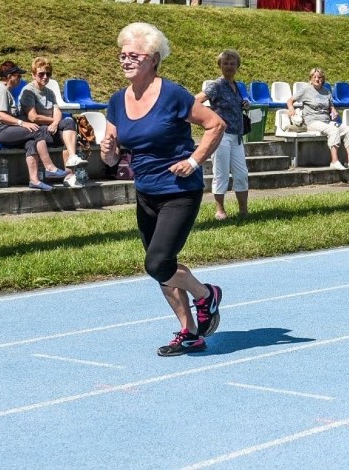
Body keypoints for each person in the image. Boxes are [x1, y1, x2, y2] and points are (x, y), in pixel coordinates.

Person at [100, 22, 224, 356]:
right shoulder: (116, 101)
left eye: (134, 56)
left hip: (179, 190)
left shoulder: (173, 94)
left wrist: (195, 161)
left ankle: (206, 295)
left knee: (157, 262)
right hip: (146, 192)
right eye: (122, 55)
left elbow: (216, 124)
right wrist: (107, 152)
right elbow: (113, 152)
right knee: (163, 268)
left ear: (153, 59)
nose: (126, 60)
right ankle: (189, 332)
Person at [0, 61, 68, 191]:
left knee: (31, 141)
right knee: (36, 130)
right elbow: (1, 115)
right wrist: (23, 123)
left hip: (2, 128)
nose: (20, 79)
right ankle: (49, 167)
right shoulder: (1, 89)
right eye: (18, 76)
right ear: (9, 77)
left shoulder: (6, 90)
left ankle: (34, 180)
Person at [194, 49, 250, 221]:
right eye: (225, 63)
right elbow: (197, 100)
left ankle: (243, 210)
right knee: (221, 173)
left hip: (237, 136)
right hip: (221, 136)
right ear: (220, 65)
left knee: (241, 174)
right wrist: (209, 118)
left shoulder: (237, 86)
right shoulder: (217, 85)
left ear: (237, 66)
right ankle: (220, 210)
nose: (229, 66)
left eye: (232, 63)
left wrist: (244, 104)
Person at [19, 57, 86, 189]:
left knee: (69, 126)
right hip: (37, 131)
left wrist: (56, 123)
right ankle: (68, 171)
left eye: (48, 74)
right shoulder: (28, 91)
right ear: (33, 75)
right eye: (41, 74)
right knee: (66, 131)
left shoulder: (49, 92)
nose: (45, 77)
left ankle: (70, 172)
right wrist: (54, 121)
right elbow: (33, 117)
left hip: (50, 129)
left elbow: (57, 111)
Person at [288, 68, 349, 171]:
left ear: (323, 79)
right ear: (311, 78)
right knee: (333, 131)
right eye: (314, 77)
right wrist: (291, 108)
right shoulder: (306, 90)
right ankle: (334, 161)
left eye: (319, 77)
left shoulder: (326, 91)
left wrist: (333, 111)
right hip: (312, 121)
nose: (317, 79)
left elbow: (331, 106)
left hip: (326, 121)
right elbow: (290, 101)